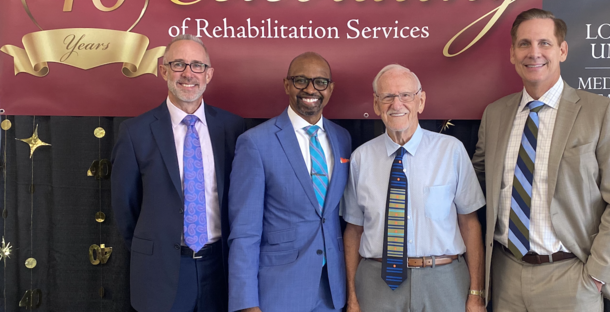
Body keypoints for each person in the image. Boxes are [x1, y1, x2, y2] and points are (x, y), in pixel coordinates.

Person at [472, 8, 610, 311]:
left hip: (572, 277)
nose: (533, 53)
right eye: (524, 44)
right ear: (512, 53)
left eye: (544, 43)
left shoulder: (600, 112)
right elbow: (473, 185)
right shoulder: (495, 114)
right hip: (506, 274)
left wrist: (597, 275)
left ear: (562, 50)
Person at [111, 34, 245, 312]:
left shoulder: (234, 129)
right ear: (163, 70)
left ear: (208, 75)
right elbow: (126, 209)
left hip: (219, 267)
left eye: (197, 65)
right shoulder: (135, 132)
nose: (188, 74)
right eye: (178, 64)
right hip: (161, 271)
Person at [343, 64, 486, 312]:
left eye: (406, 95)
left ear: (420, 101)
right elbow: (354, 231)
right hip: (377, 284)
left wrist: (476, 293)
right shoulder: (360, 159)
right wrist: (353, 298)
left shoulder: (451, 151)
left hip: (444, 280)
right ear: (376, 105)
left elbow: (470, 224)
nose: (397, 105)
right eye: (387, 97)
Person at [228, 52, 352, 312]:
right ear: (286, 84)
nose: (310, 89)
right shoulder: (256, 143)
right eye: (300, 80)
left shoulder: (342, 139)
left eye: (320, 82)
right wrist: (246, 303)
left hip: (332, 291)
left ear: (330, 89)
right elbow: (244, 232)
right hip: (279, 291)